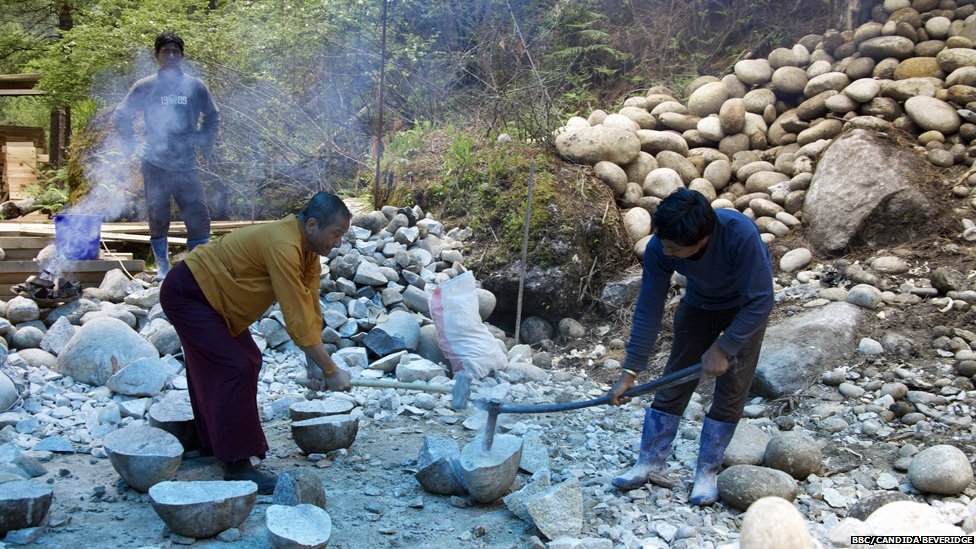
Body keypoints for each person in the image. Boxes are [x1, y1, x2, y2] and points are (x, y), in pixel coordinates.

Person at [159, 191, 354, 493]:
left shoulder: (308, 253)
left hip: (215, 301)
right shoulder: (283, 243)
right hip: (189, 293)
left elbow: (308, 308)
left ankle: (213, 442)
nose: (339, 242)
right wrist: (332, 371)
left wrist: (315, 365)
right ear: (312, 225)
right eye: (337, 234)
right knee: (233, 367)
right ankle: (237, 466)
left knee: (249, 359)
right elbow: (294, 317)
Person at [607, 188, 774, 506]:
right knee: (675, 378)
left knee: (732, 388)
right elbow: (649, 307)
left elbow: (762, 299)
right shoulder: (661, 246)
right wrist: (630, 370)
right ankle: (650, 460)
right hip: (699, 305)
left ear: (702, 239)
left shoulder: (740, 235)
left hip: (745, 309)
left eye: (673, 247)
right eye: (663, 242)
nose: (665, 250)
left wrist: (724, 347)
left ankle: (707, 471)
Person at [113, 32, 219, 281]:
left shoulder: (195, 86)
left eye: (175, 52)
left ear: (182, 56)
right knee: (157, 213)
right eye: (165, 52)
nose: (171, 56)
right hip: (154, 162)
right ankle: (162, 266)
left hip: (186, 162)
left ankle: (196, 267)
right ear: (156, 56)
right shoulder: (146, 85)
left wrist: (201, 142)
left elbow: (213, 116)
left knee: (199, 215)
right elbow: (121, 115)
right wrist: (133, 146)